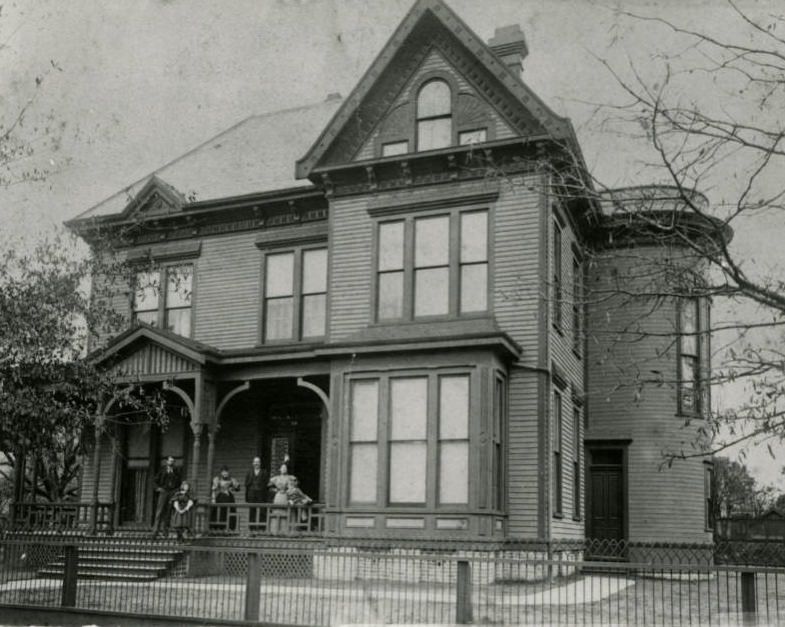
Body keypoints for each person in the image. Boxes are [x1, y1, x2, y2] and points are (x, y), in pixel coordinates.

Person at [152, 456, 181, 538]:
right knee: (159, 512)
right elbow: (154, 481)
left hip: (171, 493)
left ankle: (165, 532)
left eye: (173, 461)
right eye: (170, 461)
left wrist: (175, 491)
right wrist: (158, 488)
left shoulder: (176, 471)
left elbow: (179, 482)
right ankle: (155, 532)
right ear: (167, 462)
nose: (171, 462)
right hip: (164, 492)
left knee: (168, 513)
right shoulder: (162, 470)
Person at [268, 463, 295, 533]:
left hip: (285, 496)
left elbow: (291, 488)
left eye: (285, 468)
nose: (284, 469)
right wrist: (275, 490)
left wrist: (287, 491)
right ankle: (275, 530)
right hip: (278, 496)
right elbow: (268, 486)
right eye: (282, 468)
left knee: (284, 511)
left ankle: (284, 530)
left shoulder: (289, 478)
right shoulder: (276, 478)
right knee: (276, 510)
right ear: (280, 469)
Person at [211, 465, 240, 531]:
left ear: (228, 472)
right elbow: (213, 489)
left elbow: (238, 488)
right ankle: (219, 528)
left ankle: (229, 528)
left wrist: (232, 488)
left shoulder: (232, 479)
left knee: (230, 511)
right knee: (220, 512)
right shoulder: (217, 479)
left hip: (229, 498)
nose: (225, 473)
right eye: (223, 472)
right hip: (220, 498)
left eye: (226, 472)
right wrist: (213, 498)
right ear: (221, 473)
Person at [244, 456, 268, 527]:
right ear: (253, 463)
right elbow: (246, 484)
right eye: (255, 462)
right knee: (252, 512)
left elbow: (266, 484)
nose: (256, 463)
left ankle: (261, 529)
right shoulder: (249, 472)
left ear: (260, 463)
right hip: (251, 495)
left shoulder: (264, 472)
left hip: (261, 495)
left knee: (262, 512)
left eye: (258, 462)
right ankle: (252, 529)